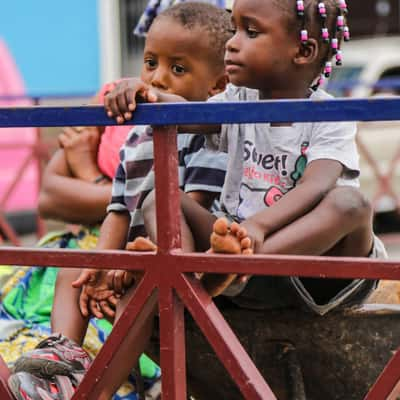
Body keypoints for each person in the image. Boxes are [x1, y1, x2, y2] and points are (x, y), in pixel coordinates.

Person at [79, 0, 388, 396]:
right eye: (234, 28)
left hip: (320, 269)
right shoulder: (239, 101)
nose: (232, 43)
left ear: (303, 51)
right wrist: (145, 93)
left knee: (351, 203)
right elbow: (187, 113)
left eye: (250, 32)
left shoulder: (328, 113)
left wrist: (256, 230)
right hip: (240, 260)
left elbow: (316, 184)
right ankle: (186, 283)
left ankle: (215, 273)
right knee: (161, 199)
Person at [8, 3, 231, 399]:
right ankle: (64, 358)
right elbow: (117, 208)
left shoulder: (211, 139)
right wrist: (101, 264)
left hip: (180, 259)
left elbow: (189, 208)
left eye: (177, 69)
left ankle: (98, 387)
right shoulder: (136, 137)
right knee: (72, 274)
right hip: (132, 251)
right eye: (150, 63)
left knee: (145, 280)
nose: (158, 78)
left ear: (216, 86)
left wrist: (126, 263)